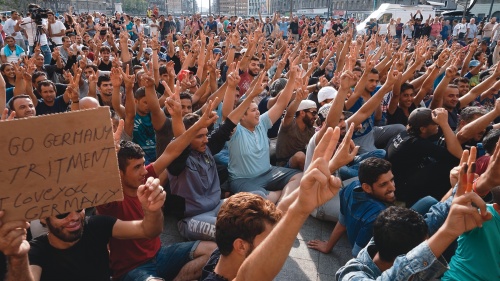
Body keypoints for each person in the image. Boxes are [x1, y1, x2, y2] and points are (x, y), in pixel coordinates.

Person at [386, 108, 462, 206]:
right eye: (435, 124)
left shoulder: (406, 133)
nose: (438, 125)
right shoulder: (416, 144)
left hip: (400, 177)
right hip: (403, 190)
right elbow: (458, 156)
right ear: (423, 129)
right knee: (450, 165)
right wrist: (445, 124)